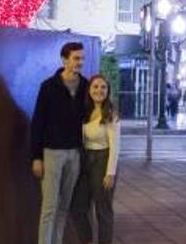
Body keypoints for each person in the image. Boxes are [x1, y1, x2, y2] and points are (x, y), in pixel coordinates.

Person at [31, 42, 88, 244]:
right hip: (52, 153)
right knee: (49, 207)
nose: (80, 62)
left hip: (75, 154)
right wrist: (36, 157)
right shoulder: (48, 87)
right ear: (64, 59)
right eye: (76, 58)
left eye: (82, 58)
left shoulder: (86, 86)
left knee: (64, 207)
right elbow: (38, 123)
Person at [71, 74, 121, 244]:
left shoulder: (110, 114)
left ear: (108, 91)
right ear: (89, 90)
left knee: (103, 210)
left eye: (103, 87)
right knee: (78, 208)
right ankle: (87, 240)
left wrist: (110, 173)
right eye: (95, 87)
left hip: (103, 160)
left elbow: (115, 146)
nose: (99, 90)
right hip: (85, 161)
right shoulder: (84, 111)